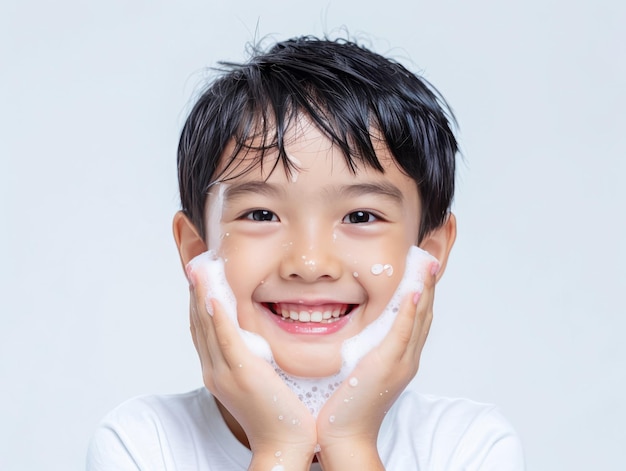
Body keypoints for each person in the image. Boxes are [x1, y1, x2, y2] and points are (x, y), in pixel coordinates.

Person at [87, 36, 525, 470]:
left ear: (428, 253)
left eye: (359, 217)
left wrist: (349, 442)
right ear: (196, 251)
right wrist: (280, 446)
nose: (310, 264)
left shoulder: (469, 446)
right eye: (261, 214)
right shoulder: (142, 443)